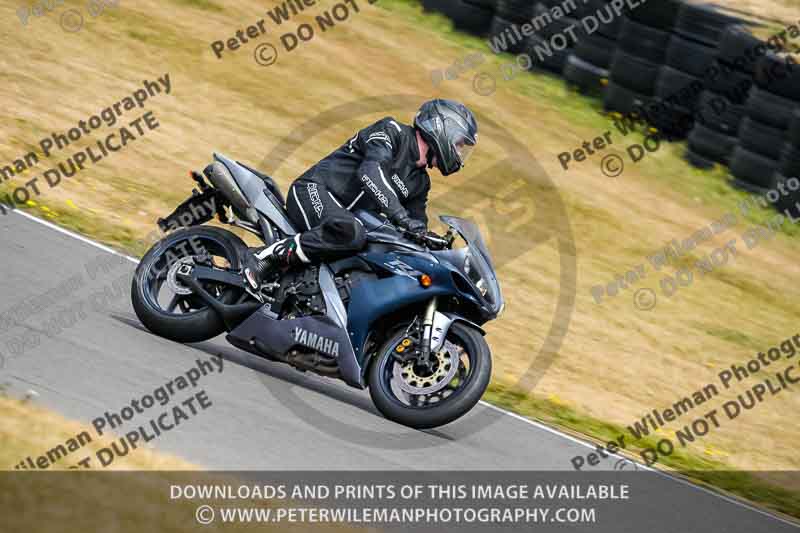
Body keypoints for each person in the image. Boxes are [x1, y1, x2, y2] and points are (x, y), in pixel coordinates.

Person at [244, 99, 478, 289]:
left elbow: (416, 226)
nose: (459, 154)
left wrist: (435, 248)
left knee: (380, 251)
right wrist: (401, 217)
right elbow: (370, 173)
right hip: (313, 191)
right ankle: (267, 258)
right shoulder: (391, 131)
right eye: (459, 144)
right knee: (351, 232)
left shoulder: (420, 182)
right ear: (441, 128)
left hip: (346, 221)